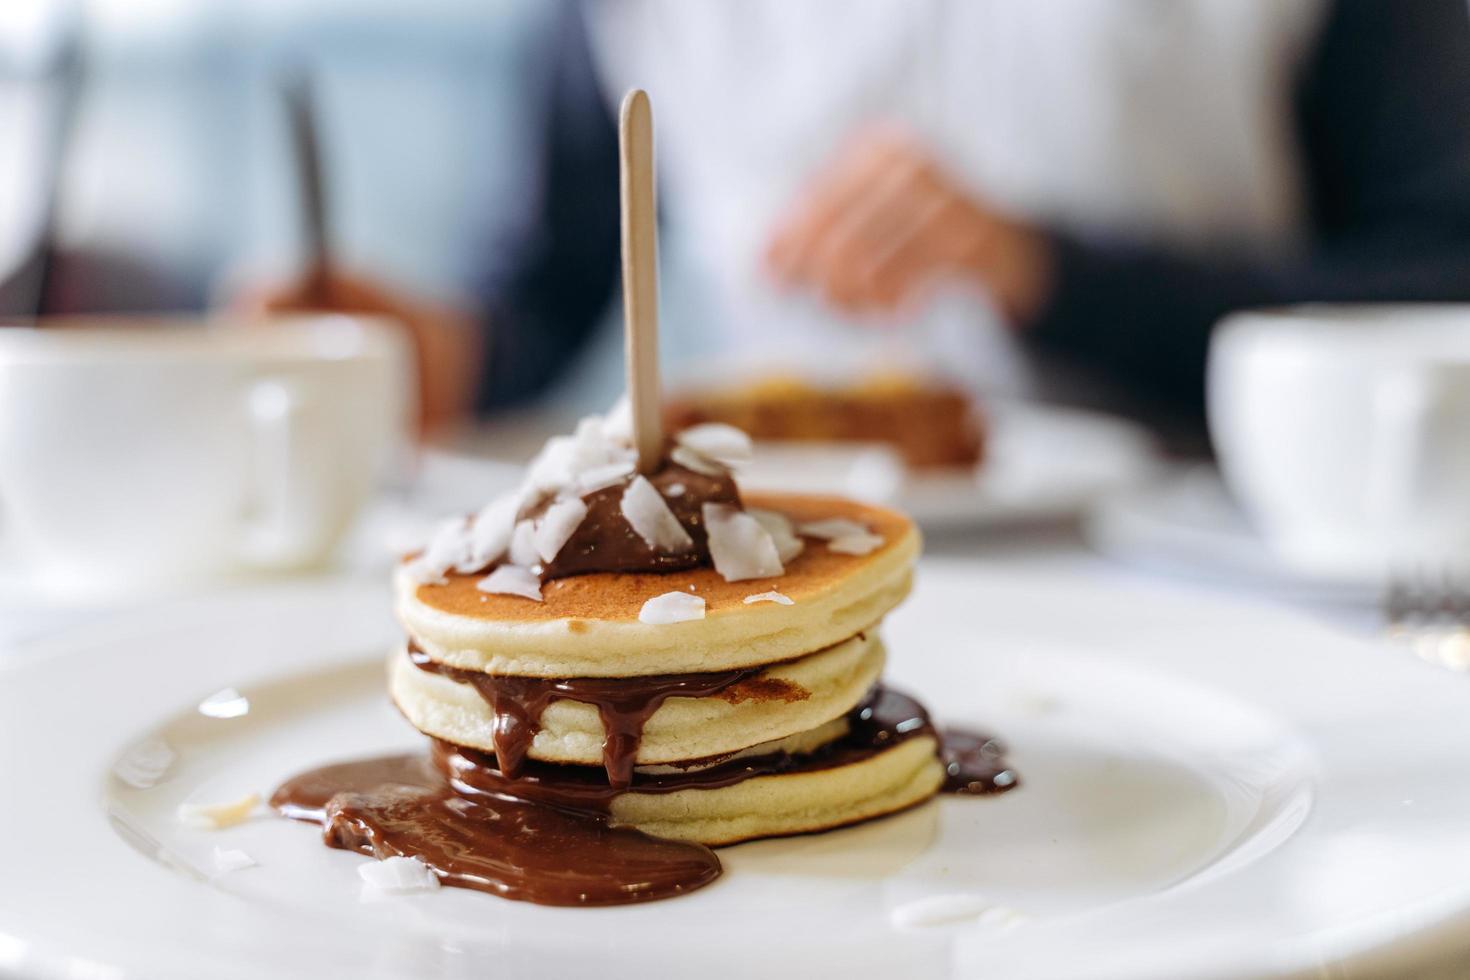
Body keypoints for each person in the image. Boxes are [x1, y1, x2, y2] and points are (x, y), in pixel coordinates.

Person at [246, 0, 1470, 434]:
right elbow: (544, 297)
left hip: (1213, 574)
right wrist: (425, 354)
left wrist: (1049, 272)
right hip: (764, 565)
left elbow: (1438, 276)